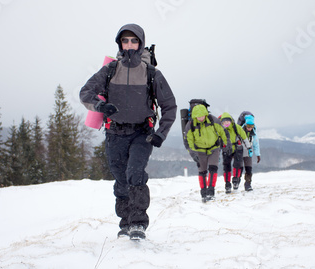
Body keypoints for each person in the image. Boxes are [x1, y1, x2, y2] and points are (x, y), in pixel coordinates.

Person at [79, 24, 177, 240]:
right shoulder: (110, 70)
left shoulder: (152, 73)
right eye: (125, 41)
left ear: (141, 43)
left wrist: (161, 133)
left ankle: (138, 224)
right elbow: (85, 92)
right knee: (121, 179)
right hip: (114, 133)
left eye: (134, 41)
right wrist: (100, 106)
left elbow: (170, 106)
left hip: (142, 133)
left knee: (135, 174)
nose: (130, 45)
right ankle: (125, 223)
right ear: (119, 43)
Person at [184, 105, 230, 202]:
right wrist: (193, 154)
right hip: (199, 151)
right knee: (202, 171)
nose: (201, 118)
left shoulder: (213, 120)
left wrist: (228, 143)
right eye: (198, 117)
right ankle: (204, 192)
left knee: (213, 169)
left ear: (205, 114)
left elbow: (223, 132)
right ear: (195, 116)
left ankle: (211, 191)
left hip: (214, 148)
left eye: (202, 116)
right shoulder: (190, 125)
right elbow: (188, 141)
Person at [219, 112, 251, 193]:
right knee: (226, 167)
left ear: (231, 121)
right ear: (222, 122)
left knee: (237, 164)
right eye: (224, 122)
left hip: (237, 147)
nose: (226, 123)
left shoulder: (236, 127)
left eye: (227, 121)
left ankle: (235, 181)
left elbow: (244, 137)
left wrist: (248, 147)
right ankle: (227, 184)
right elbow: (218, 140)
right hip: (226, 148)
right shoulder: (220, 129)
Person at [239, 114, 261, 191]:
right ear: (245, 124)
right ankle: (236, 182)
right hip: (240, 152)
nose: (250, 128)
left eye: (251, 126)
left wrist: (258, 154)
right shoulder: (240, 131)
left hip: (248, 152)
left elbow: (256, 144)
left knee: (249, 169)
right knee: (239, 168)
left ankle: (248, 184)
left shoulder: (253, 134)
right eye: (248, 126)